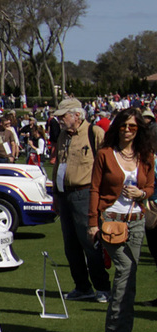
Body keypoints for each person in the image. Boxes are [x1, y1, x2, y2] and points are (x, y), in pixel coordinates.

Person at [89, 107, 153, 332]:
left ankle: (122, 330)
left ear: (139, 130)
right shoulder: (105, 154)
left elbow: (151, 187)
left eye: (133, 126)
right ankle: (115, 328)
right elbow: (94, 188)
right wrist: (92, 223)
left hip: (136, 221)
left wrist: (142, 192)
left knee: (131, 275)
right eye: (124, 126)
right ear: (117, 127)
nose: (128, 130)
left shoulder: (146, 155)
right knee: (125, 270)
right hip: (110, 220)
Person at [51, 98, 110, 304]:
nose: (60, 120)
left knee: (91, 243)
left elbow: (106, 164)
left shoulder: (94, 133)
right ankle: (82, 287)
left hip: (86, 194)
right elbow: (58, 164)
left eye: (63, 116)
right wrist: (56, 196)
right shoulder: (62, 137)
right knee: (71, 245)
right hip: (65, 195)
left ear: (77, 115)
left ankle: (103, 287)